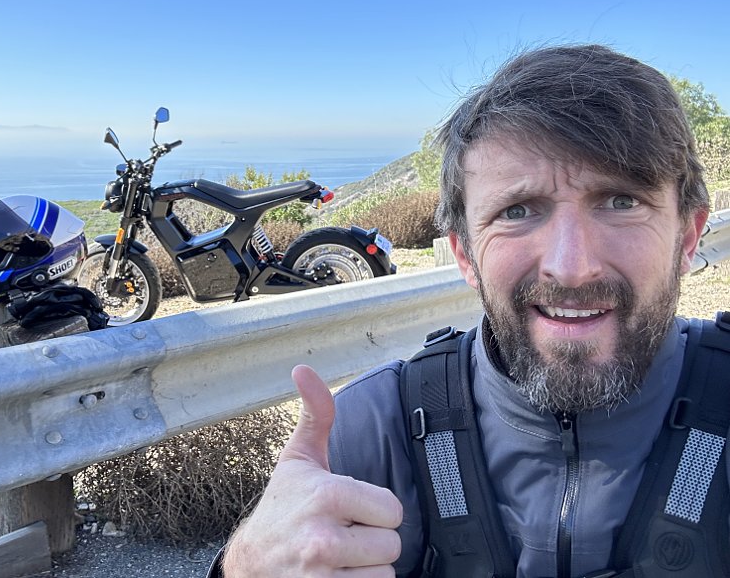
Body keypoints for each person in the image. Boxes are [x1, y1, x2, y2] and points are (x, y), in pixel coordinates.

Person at [213, 44, 728, 577]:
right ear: (465, 254)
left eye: (622, 202)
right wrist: (246, 566)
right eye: (517, 211)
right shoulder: (373, 431)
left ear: (688, 235)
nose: (572, 268)